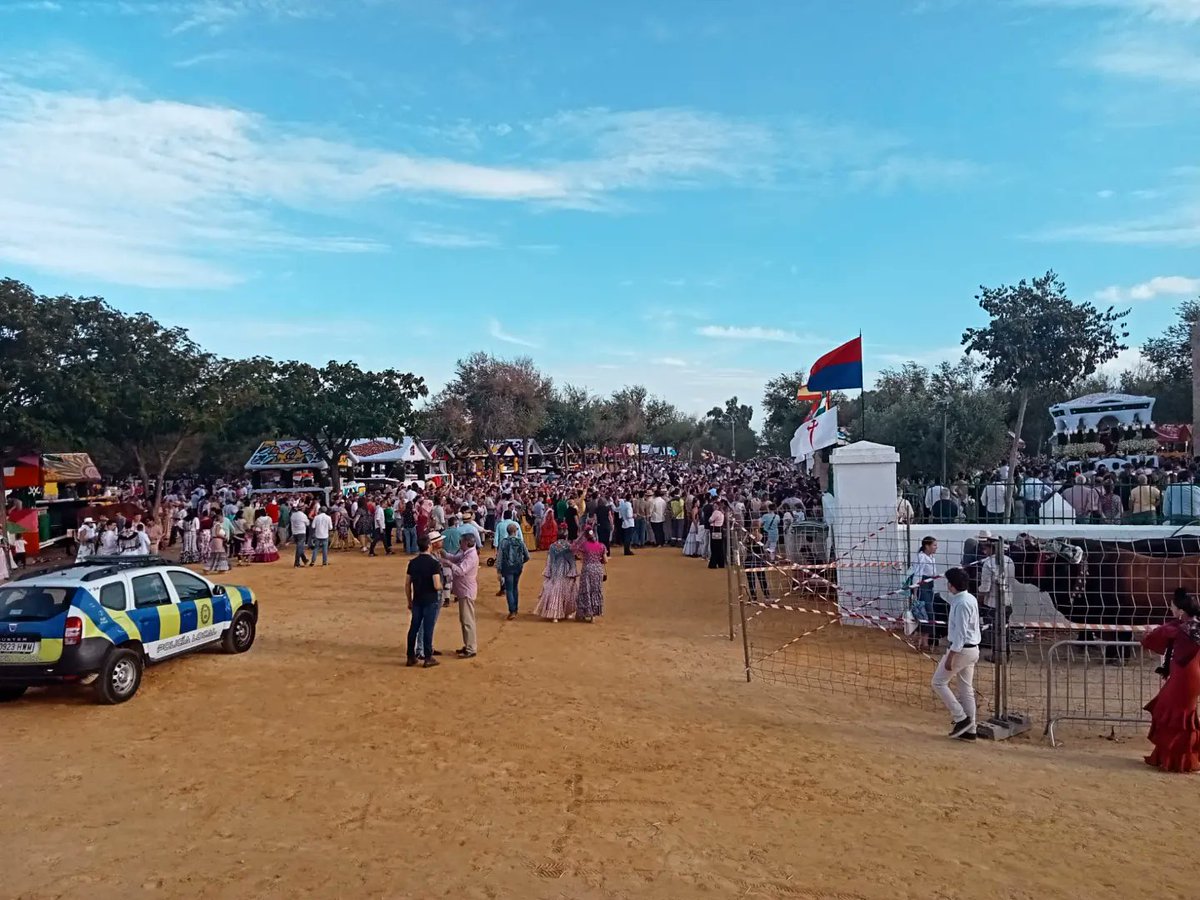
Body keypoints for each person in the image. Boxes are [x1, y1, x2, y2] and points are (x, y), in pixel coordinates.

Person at [1139, 588, 1200, 773]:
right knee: (1179, 716)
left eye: (1172, 607)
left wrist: (1151, 631)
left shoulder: (1176, 628)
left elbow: (1151, 639)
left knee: (1171, 714)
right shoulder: (1195, 626)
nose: (1171, 610)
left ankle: (1179, 760)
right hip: (1192, 677)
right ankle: (1170, 757)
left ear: (1181, 611)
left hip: (1183, 677)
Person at [931, 567, 982, 741]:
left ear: (952, 585)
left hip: (962, 649)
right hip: (971, 648)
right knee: (965, 688)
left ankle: (961, 718)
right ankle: (971, 729)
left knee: (938, 682)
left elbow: (960, 633)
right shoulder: (969, 598)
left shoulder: (961, 603)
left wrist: (951, 656)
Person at [405, 534, 443, 668]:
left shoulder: (413, 562)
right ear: (429, 546)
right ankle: (428, 657)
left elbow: (407, 584)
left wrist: (409, 601)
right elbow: (436, 584)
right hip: (430, 600)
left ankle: (410, 656)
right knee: (428, 628)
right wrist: (442, 587)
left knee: (413, 628)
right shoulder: (434, 563)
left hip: (417, 599)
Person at [441, 532, 480, 658]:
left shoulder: (471, 556)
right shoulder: (466, 553)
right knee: (465, 619)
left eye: (462, 542)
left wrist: (449, 563)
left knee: (467, 620)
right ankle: (468, 645)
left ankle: (471, 648)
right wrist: (445, 555)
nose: (460, 544)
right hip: (464, 590)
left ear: (467, 543)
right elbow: (455, 558)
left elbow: (461, 571)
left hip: (466, 590)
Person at [534, 534, 578, 622]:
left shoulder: (552, 546)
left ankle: (555, 615)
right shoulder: (568, 546)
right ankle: (566, 613)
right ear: (565, 537)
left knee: (555, 590)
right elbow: (572, 561)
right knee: (567, 590)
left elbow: (549, 560)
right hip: (566, 571)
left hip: (555, 570)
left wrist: (548, 571)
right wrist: (573, 572)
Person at [572, 526, 607, 622]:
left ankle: (583, 613)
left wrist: (580, 536)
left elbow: (573, 548)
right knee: (595, 590)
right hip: (598, 570)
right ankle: (593, 616)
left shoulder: (584, 545)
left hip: (587, 569)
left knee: (585, 590)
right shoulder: (601, 546)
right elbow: (605, 561)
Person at [909, 536, 938, 652]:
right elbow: (917, 575)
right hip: (923, 586)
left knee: (925, 613)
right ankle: (924, 643)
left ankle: (918, 639)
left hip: (929, 586)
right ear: (927, 546)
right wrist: (915, 592)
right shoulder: (921, 557)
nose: (936, 547)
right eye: (934, 545)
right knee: (926, 614)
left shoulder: (930, 557)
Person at [497, 521, 530, 620]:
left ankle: (512, 610)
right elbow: (527, 556)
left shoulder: (503, 542)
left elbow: (499, 557)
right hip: (517, 567)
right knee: (515, 588)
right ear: (515, 531)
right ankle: (515, 608)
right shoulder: (520, 542)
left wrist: (498, 570)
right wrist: (521, 562)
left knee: (509, 589)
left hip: (507, 568)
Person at [707, 501, 726, 569]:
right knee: (719, 548)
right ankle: (721, 563)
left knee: (714, 547)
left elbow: (710, 520)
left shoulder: (716, 512)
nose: (714, 507)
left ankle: (713, 563)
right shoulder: (722, 513)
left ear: (718, 507)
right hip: (720, 530)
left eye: (715, 506)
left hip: (715, 530)